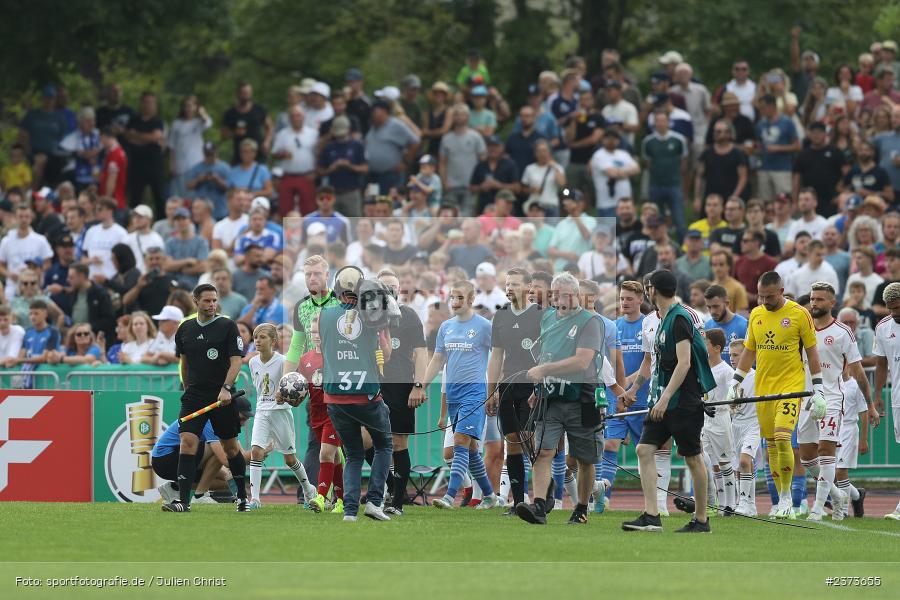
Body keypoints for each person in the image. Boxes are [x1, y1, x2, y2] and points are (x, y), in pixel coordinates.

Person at [621, 270, 715, 533]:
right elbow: (653, 362)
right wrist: (645, 392)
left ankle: (701, 519)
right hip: (662, 399)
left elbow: (684, 363)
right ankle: (652, 515)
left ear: (653, 290)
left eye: (648, 287)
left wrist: (664, 399)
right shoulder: (661, 318)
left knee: (692, 457)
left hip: (682, 401)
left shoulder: (680, 318)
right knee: (644, 449)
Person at [514, 273, 610, 525]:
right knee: (542, 451)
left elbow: (582, 361)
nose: (560, 299)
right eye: (556, 294)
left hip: (583, 397)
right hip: (550, 397)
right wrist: (537, 389)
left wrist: (544, 370)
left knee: (585, 459)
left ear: (576, 295)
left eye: (565, 294)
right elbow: (546, 354)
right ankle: (539, 506)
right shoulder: (547, 317)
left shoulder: (591, 321)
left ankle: (581, 508)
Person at [728, 271, 824, 519]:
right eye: (761, 296)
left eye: (769, 296)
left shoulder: (799, 314)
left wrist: (819, 388)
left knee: (783, 438)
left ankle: (786, 499)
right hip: (764, 389)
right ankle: (781, 499)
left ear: (781, 292)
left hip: (790, 387)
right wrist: (735, 382)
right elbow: (749, 351)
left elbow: (812, 352)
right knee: (771, 445)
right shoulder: (756, 314)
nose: (764, 301)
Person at [161, 284, 247, 513]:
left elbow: (236, 361)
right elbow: (184, 362)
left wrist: (226, 388)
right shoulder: (185, 328)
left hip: (222, 395)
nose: (212, 305)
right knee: (187, 441)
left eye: (214, 300)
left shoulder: (227, 326)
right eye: (207, 300)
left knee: (230, 448)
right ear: (195, 301)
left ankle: (242, 497)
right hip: (195, 396)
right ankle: (183, 501)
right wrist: (187, 388)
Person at [318, 266, 394, 522]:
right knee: (384, 445)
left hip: (334, 397)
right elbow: (386, 354)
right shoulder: (372, 316)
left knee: (352, 454)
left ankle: (350, 511)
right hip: (366, 394)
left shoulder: (324, 315)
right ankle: (374, 501)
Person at [423, 279, 498, 511]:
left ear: (471, 299)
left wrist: (494, 390)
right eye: (452, 297)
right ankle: (490, 495)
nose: (454, 302)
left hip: (475, 393)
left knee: (460, 442)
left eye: (459, 297)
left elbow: (498, 356)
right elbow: (438, 359)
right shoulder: (446, 327)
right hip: (454, 394)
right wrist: (421, 385)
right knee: (471, 449)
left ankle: (449, 496)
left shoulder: (484, 326)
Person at [800, 282, 872, 521]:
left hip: (831, 397)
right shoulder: (803, 329)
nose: (814, 303)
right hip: (806, 398)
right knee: (807, 457)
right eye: (812, 299)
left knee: (825, 450)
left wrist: (870, 404)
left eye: (819, 299)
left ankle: (818, 508)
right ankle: (839, 495)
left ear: (832, 303)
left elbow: (858, 371)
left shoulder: (842, 332)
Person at [485, 268, 542, 515]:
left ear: (529, 287)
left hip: (532, 386)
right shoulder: (501, 316)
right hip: (508, 385)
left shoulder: (541, 314)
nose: (509, 288)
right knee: (513, 442)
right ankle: (519, 503)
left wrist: (541, 385)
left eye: (515, 284)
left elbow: (548, 352)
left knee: (529, 439)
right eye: (507, 284)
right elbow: (496, 356)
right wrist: (491, 391)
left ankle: (543, 497)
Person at [246, 323, 317, 510]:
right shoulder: (253, 362)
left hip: (281, 413)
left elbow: (296, 386)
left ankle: (309, 490)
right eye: (255, 337)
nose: (258, 341)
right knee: (256, 451)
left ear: (273, 341)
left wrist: (287, 398)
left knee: (290, 459)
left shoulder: (283, 361)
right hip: (262, 411)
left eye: (263, 337)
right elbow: (259, 387)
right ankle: (255, 499)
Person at [376, 270, 427, 515]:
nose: (389, 291)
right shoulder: (367, 317)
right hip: (373, 385)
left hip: (401, 386)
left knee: (398, 443)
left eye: (393, 287)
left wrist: (419, 385)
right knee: (364, 440)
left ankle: (397, 502)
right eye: (384, 287)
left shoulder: (409, 316)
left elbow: (421, 353)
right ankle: (391, 486)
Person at [153, 406, 252, 505]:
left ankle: (174, 487)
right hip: (164, 460)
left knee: (225, 482)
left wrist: (230, 474)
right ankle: (199, 496)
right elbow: (226, 460)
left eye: (246, 420)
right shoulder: (213, 420)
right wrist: (257, 453)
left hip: (176, 459)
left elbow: (239, 455)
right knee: (220, 450)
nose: (243, 423)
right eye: (241, 419)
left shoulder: (229, 426)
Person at [873, 282, 900, 520]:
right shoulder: (883, 327)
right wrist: (878, 393)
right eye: (891, 308)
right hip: (898, 397)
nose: (894, 312)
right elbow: (881, 363)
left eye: (898, 307)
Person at [643, 110, 689, 241]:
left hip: (674, 184)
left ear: (668, 122)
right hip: (656, 185)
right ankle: (659, 244)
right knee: (657, 221)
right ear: (654, 123)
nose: (661, 124)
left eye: (663, 121)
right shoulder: (648, 141)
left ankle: (683, 246)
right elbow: (648, 163)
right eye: (658, 121)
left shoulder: (679, 139)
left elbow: (684, 162)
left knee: (679, 220)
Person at [728, 340, 761, 516]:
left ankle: (743, 502)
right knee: (737, 467)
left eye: (736, 355)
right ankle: (750, 505)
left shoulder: (757, 376)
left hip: (753, 424)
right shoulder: (731, 377)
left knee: (744, 462)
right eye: (730, 355)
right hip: (736, 425)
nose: (732, 359)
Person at [836, 372, 873, 518]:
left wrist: (864, 440)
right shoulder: (834, 383)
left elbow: (864, 413)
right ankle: (857, 495)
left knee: (840, 471)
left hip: (849, 429)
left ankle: (843, 510)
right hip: (835, 429)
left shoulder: (856, 385)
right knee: (833, 474)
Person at [124, 92, 166, 212]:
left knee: (159, 196)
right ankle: (133, 219)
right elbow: (128, 136)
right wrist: (147, 138)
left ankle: (161, 220)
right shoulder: (133, 120)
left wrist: (136, 135)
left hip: (154, 164)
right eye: (145, 102)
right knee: (135, 197)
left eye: (150, 103)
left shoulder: (157, 121)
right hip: (137, 164)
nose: (148, 105)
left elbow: (155, 137)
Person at [168, 95, 213, 198]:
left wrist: (201, 112)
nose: (188, 109)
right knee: (179, 194)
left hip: (196, 163)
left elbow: (208, 123)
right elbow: (172, 145)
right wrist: (172, 164)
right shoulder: (176, 124)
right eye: (186, 106)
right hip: (180, 165)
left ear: (196, 107)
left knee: (195, 194)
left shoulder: (198, 122)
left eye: (191, 106)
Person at [590, 129, 640, 218]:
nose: (611, 141)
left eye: (614, 139)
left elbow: (637, 169)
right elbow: (612, 174)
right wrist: (627, 172)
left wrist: (619, 172)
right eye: (608, 138)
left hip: (625, 204)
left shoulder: (624, 154)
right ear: (602, 140)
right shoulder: (598, 155)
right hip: (606, 204)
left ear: (618, 141)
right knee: (608, 227)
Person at [221, 81, 272, 164]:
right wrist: (235, 133)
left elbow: (269, 127)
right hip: (240, 154)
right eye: (243, 93)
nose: (246, 96)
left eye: (248, 93)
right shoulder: (230, 113)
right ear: (237, 94)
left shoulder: (258, 109)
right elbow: (224, 134)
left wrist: (267, 142)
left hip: (258, 153)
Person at [82, 198, 128, 282]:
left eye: (100, 209)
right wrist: (91, 260)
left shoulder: (121, 233)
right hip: (92, 280)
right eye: (96, 209)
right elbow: (83, 258)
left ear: (110, 211)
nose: (96, 212)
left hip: (112, 280)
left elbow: (125, 260)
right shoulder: (91, 231)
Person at [703, 285, 748, 365]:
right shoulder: (706, 327)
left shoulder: (744, 326)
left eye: (716, 306)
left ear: (727, 303)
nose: (712, 311)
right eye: (709, 307)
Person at [185, 142, 230, 220]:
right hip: (202, 211)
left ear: (216, 152)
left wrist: (217, 179)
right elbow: (188, 186)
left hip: (220, 209)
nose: (209, 157)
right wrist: (199, 179)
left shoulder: (224, 167)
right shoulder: (197, 168)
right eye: (207, 155)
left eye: (211, 154)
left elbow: (230, 188)